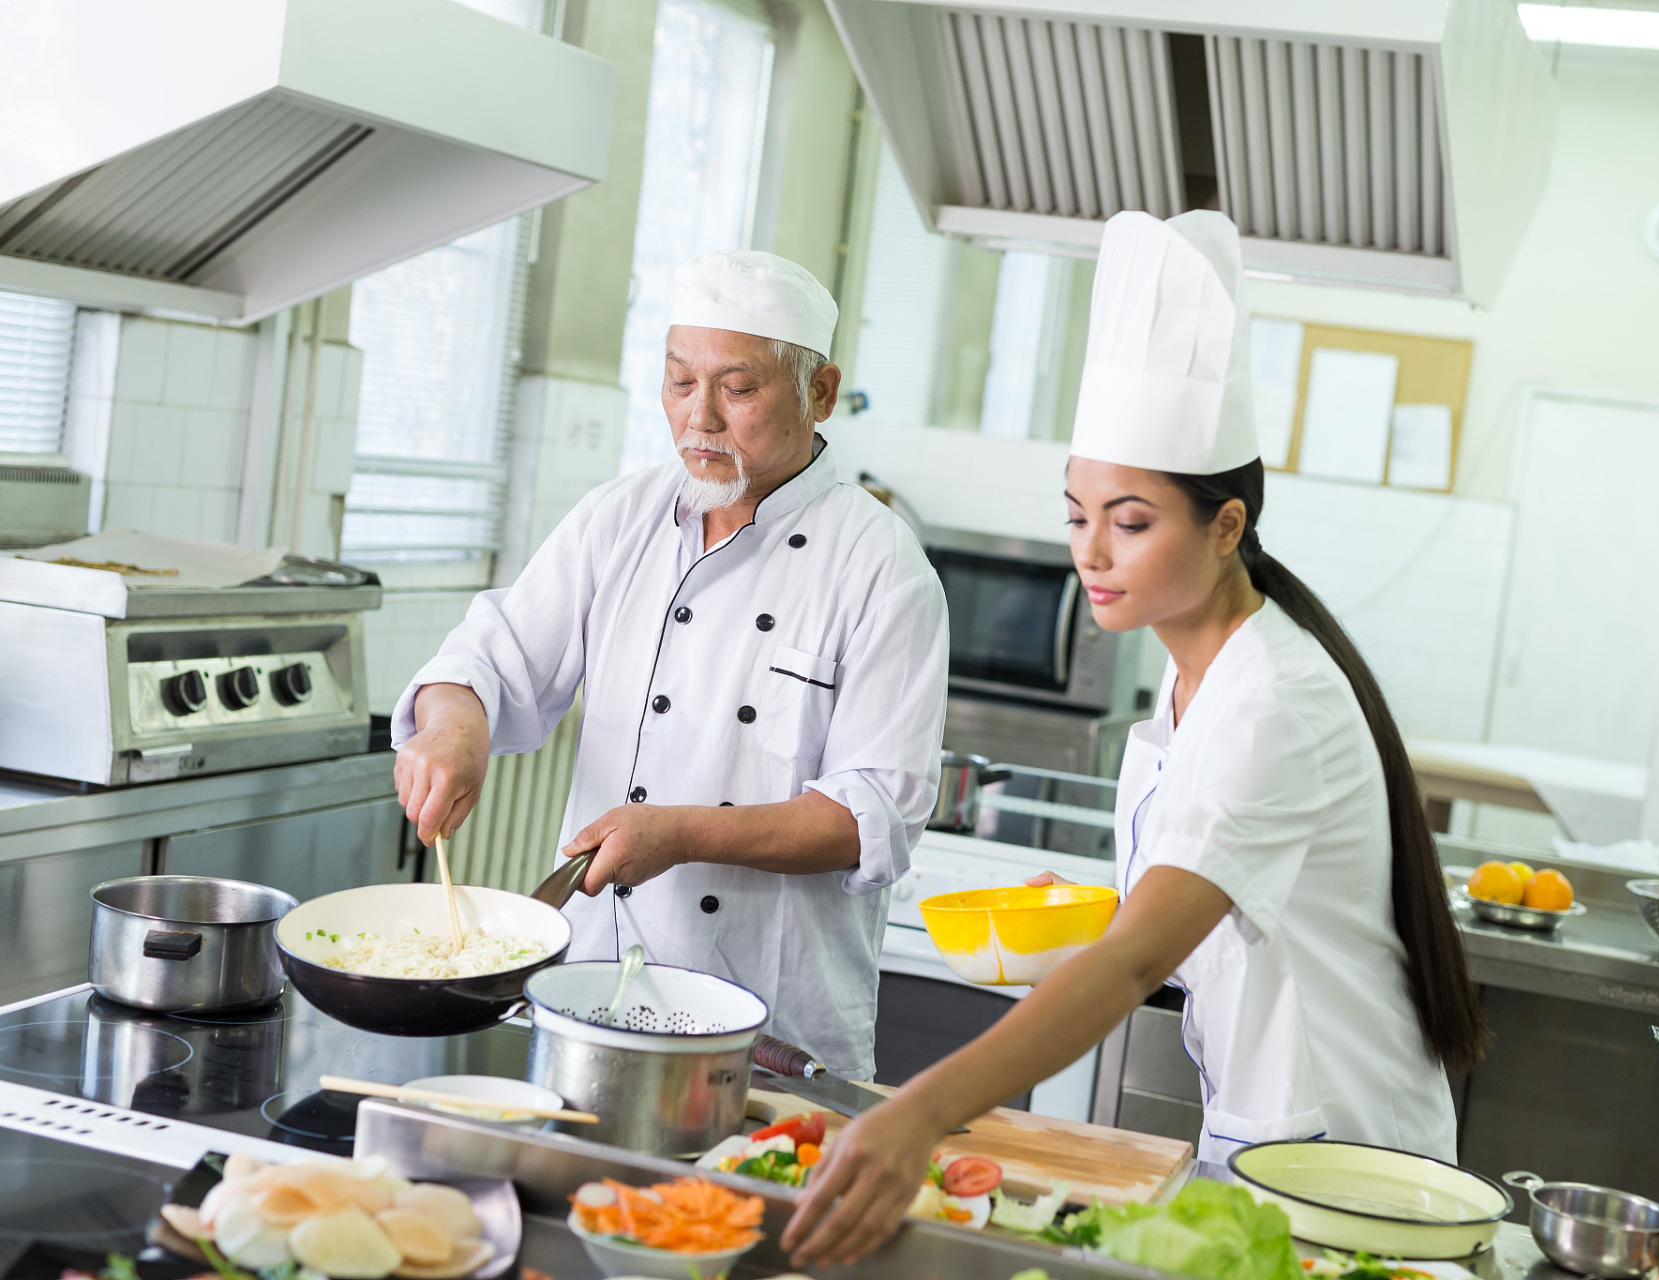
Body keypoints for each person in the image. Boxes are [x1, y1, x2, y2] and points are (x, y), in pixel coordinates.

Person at [781, 210, 1489, 1267]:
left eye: (1132, 518)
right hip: (1269, 1134)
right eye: (1076, 514)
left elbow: (1136, 955)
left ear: (1226, 525)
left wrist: (919, 1112)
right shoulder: (1190, 665)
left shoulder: (1275, 698)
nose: (1092, 552)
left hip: (1350, 1162)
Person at [390, 250, 948, 1081]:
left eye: (739, 388)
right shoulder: (621, 517)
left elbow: (874, 814)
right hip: (589, 999)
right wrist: (452, 728)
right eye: (680, 382)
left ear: (819, 393)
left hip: (767, 1027)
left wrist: (681, 833)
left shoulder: (878, 564)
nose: (700, 420)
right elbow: (491, 657)